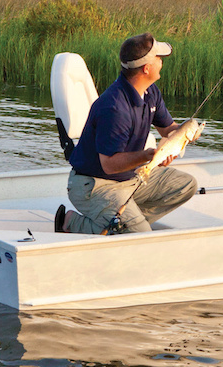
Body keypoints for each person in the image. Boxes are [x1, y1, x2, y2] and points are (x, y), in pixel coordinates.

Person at [56, 33, 198, 234]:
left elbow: (169, 130)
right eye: (158, 58)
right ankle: (72, 222)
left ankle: (125, 221)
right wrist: (147, 156)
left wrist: (186, 133)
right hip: (95, 185)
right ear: (146, 68)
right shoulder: (114, 108)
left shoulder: (151, 92)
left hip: (130, 178)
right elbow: (109, 164)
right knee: (140, 235)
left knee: (186, 185)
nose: (161, 62)